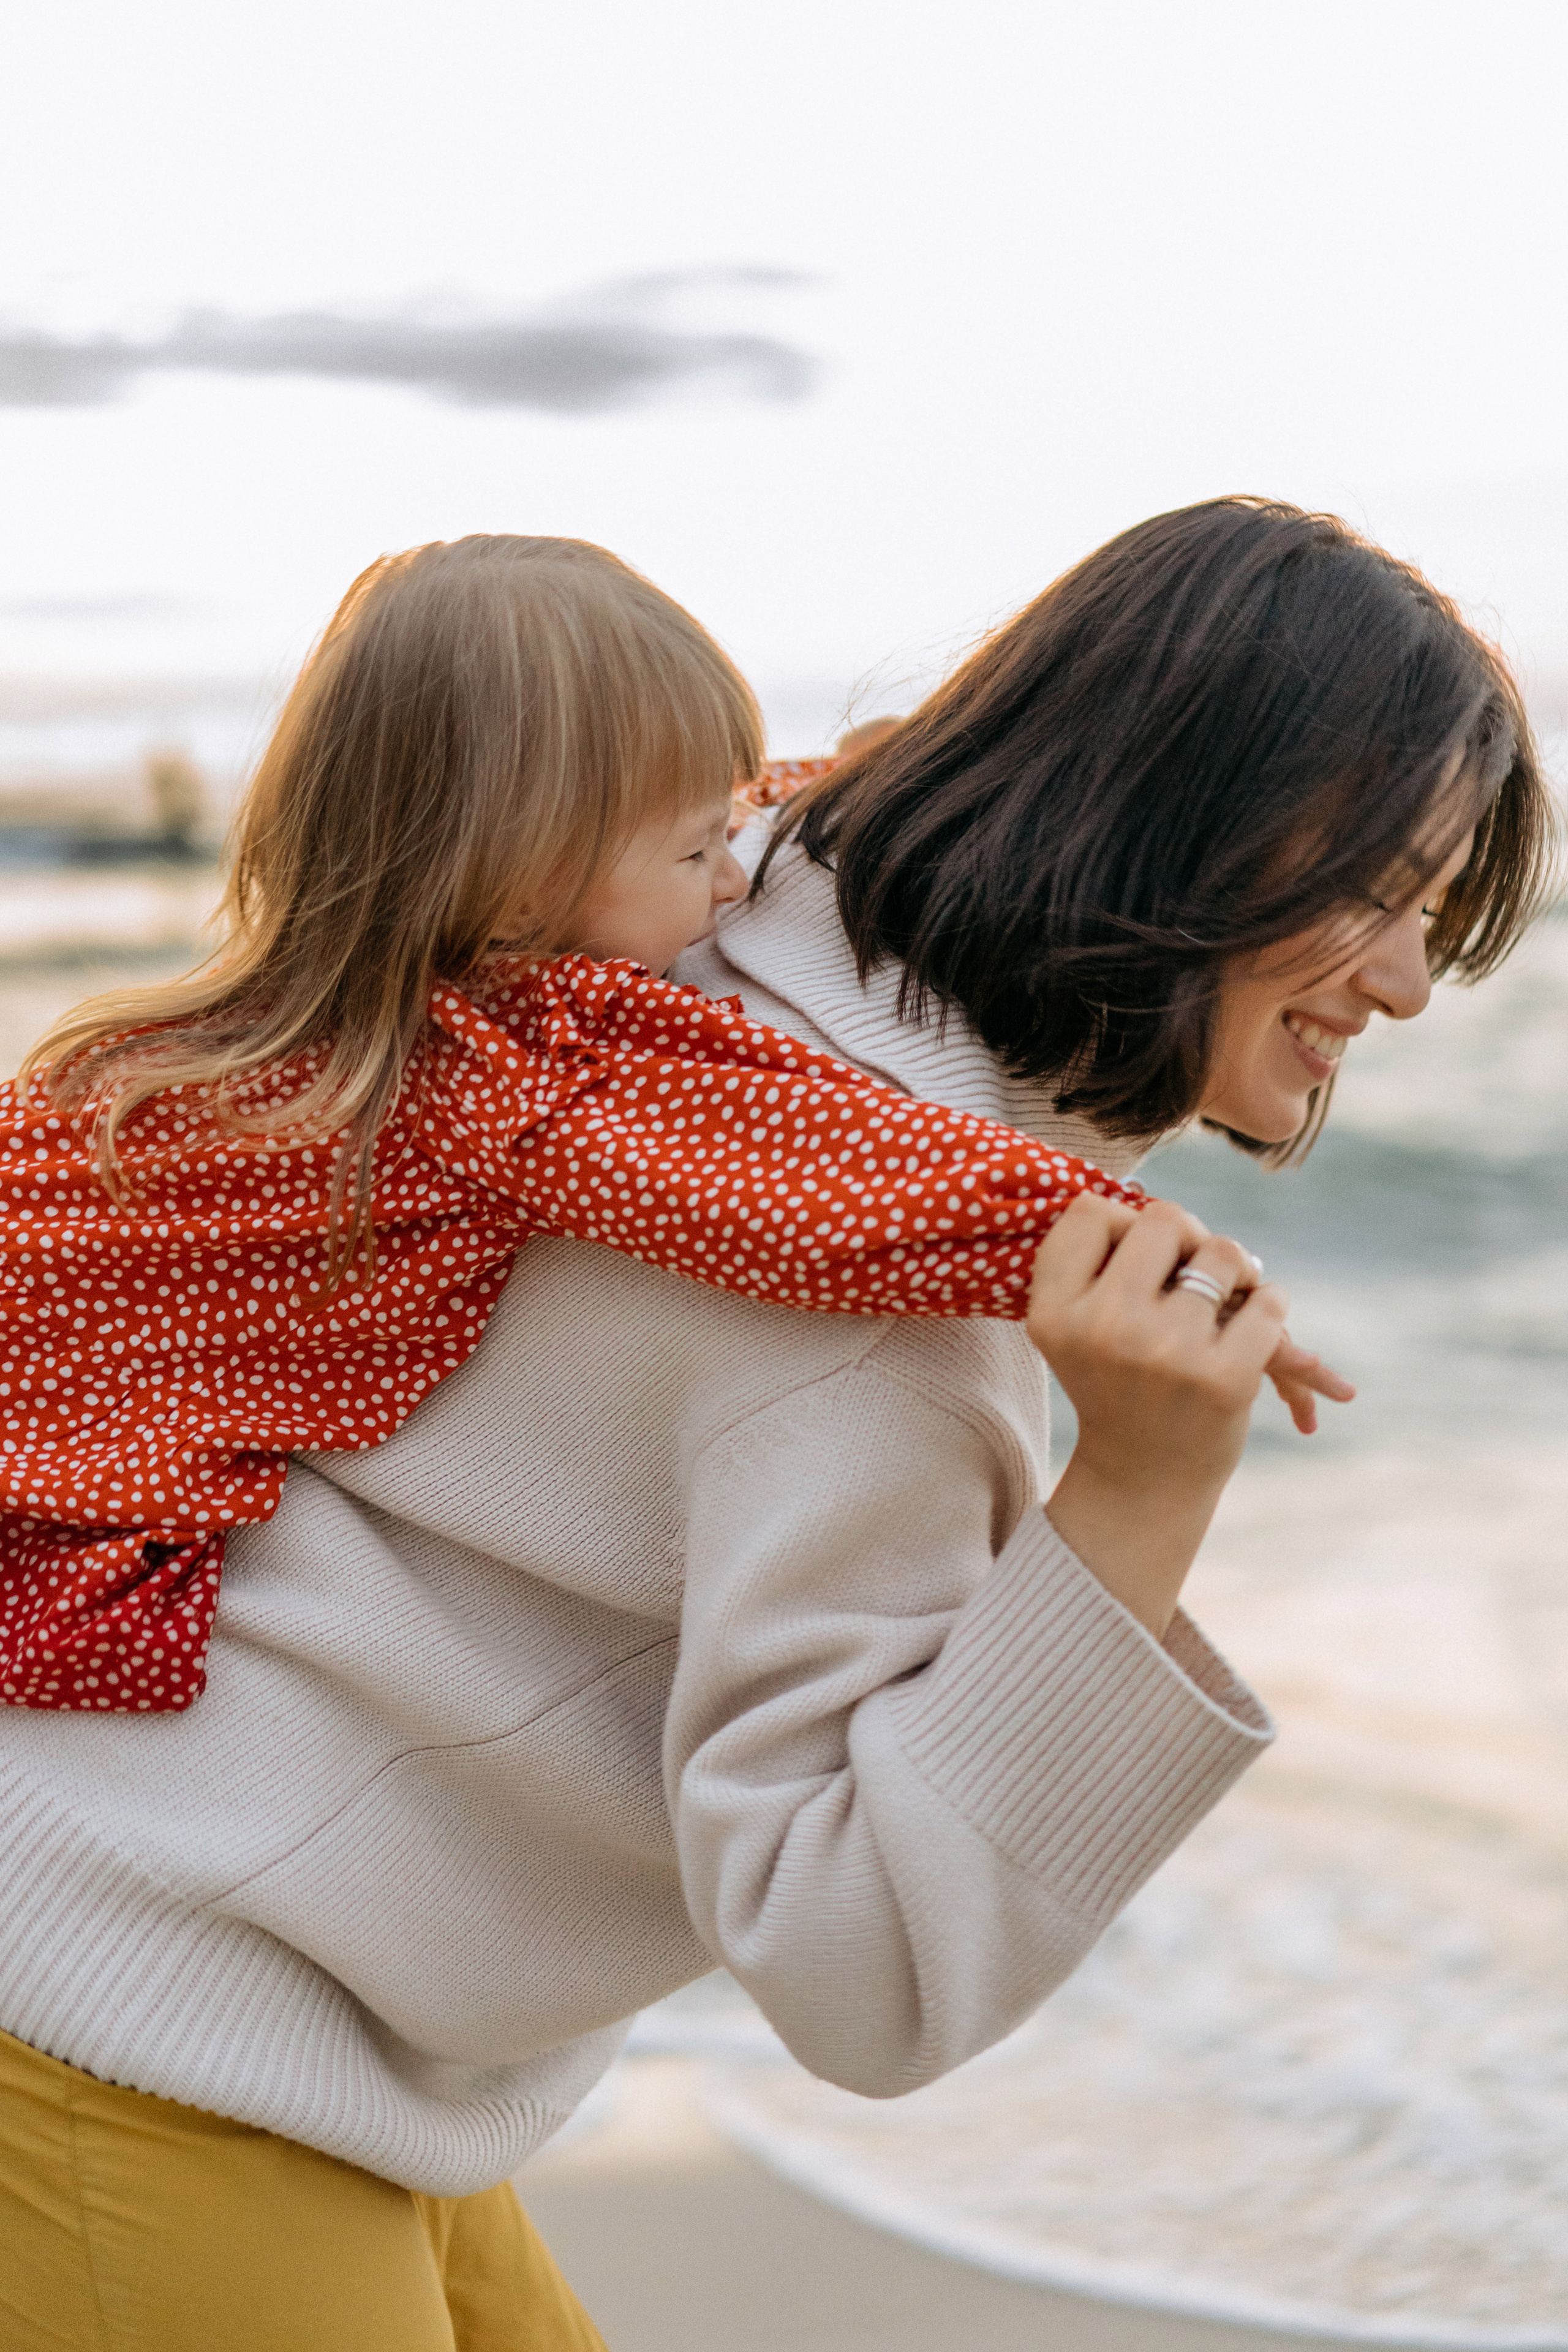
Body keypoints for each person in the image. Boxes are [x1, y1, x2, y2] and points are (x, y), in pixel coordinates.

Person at [0, 507, 1549, 2350]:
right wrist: (1134, 1492)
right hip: (135, 2011)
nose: (1404, 981)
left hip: (243, 1990)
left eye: (1438, 913)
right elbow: (866, 1969)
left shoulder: (709, 924)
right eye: (1374, 893)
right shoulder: (846, 1264)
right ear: (1187, 825)